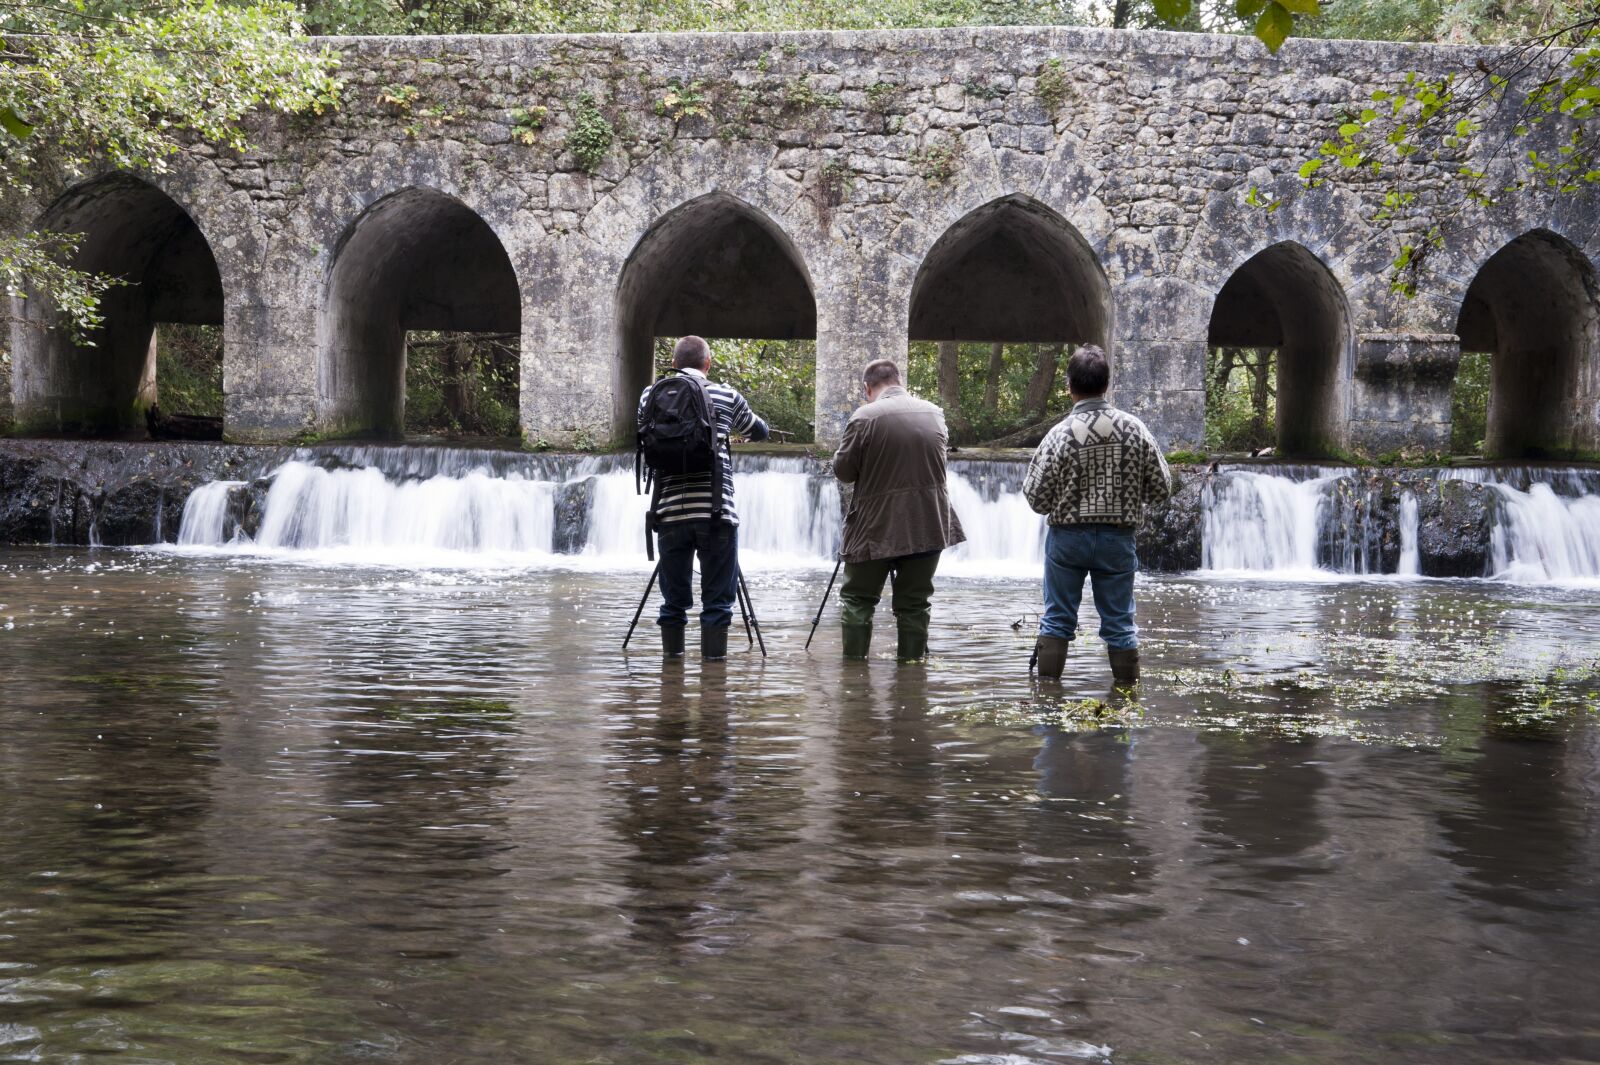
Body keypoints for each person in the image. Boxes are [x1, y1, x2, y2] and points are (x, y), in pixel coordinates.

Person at [1022, 344, 1171, 684]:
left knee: (1057, 619)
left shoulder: (1058, 435)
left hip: (1067, 541)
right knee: (1120, 623)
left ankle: (1048, 700)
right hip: (1118, 540)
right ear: (1107, 384)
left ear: (1069, 385)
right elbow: (1161, 489)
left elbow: (1036, 499)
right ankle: (1126, 705)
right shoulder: (1135, 430)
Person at [639, 335, 769, 660]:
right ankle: (714, 682)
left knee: (673, 602)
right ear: (707, 364)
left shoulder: (650, 395)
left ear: (673, 364)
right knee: (717, 603)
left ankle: (671, 680)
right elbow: (759, 431)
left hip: (667, 513)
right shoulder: (726, 394)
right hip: (716, 513)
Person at [832, 359, 965, 661]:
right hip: (928, 524)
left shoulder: (864, 417)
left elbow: (845, 472)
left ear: (867, 388)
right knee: (915, 604)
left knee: (858, 599)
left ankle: (854, 678)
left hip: (875, 526)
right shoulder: (935, 413)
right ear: (898, 381)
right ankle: (912, 679)